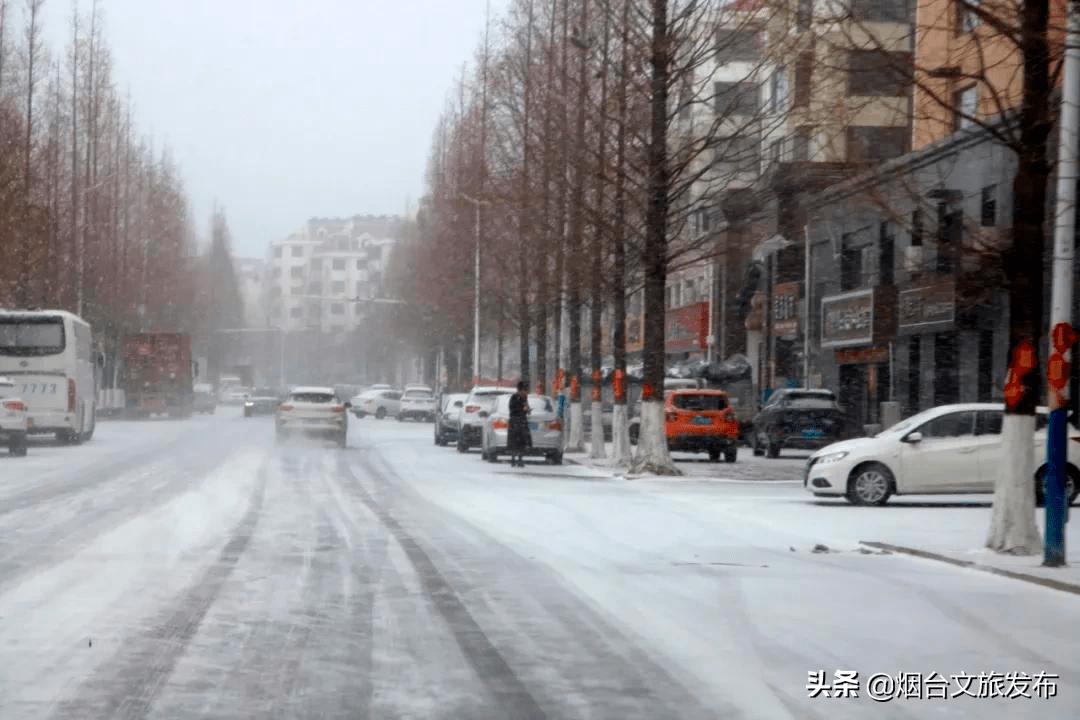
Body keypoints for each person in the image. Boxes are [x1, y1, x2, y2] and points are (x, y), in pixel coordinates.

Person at [507, 381, 531, 467]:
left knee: (522, 441)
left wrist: (528, 409)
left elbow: (527, 407)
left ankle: (520, 459)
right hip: (515, 422)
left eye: (526, 390)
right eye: (524, 390)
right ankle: (513, 459)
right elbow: (512, 409)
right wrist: (522, 409)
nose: (525, 392)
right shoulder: (514, 397)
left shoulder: (525, 398)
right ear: (520, 390)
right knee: (514, 441)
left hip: (523, 422)